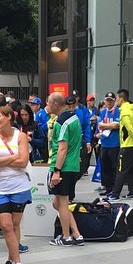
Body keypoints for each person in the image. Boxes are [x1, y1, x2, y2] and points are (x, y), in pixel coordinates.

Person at [0, 103, 33, 264]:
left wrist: (1, 159)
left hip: (19, 186)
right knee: (5, 226)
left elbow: (23, 162)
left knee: (13, 225)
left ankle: (10, 260)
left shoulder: (20, 136)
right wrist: (13, 157)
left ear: (8, 117)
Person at [48, 92, 84, 247]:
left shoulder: (61, 122)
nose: (47, 106)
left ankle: (66, 236)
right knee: (58, 203)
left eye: (48, 103)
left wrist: (56, 170)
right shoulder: (74, 118)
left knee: (62, 202)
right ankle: (77, 234)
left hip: (63, 166)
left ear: (56, 104)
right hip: (73, 165)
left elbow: (62, 148)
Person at [109, 89, 133, 201]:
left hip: (127, 146)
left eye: (117, 98)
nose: (116, 101)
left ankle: (115, 194)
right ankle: (132, 192)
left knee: (121, 170)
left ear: (121, 99)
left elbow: (130, 128)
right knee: (132, 170)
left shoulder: (125, 111)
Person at [97, 93, 120, 196]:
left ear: (114, 101)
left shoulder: (117, 111)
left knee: (114, 167)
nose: (109, 102)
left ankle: (115, 189)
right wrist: (108, 126)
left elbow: (116, 125)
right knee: (105, 167)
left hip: (114, 143)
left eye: (111, 100)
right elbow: (99, 126)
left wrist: (105, 126)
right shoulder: (103, 112)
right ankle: (108, 188)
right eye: (107, 100)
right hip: (104, 143)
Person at [28, 97, 49, 162]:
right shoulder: (32, 114)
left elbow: (45, 126)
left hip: (44, 137)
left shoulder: (41, 113)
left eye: (35, 105)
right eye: (32, 105)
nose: (33, 106)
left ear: (39, 105)